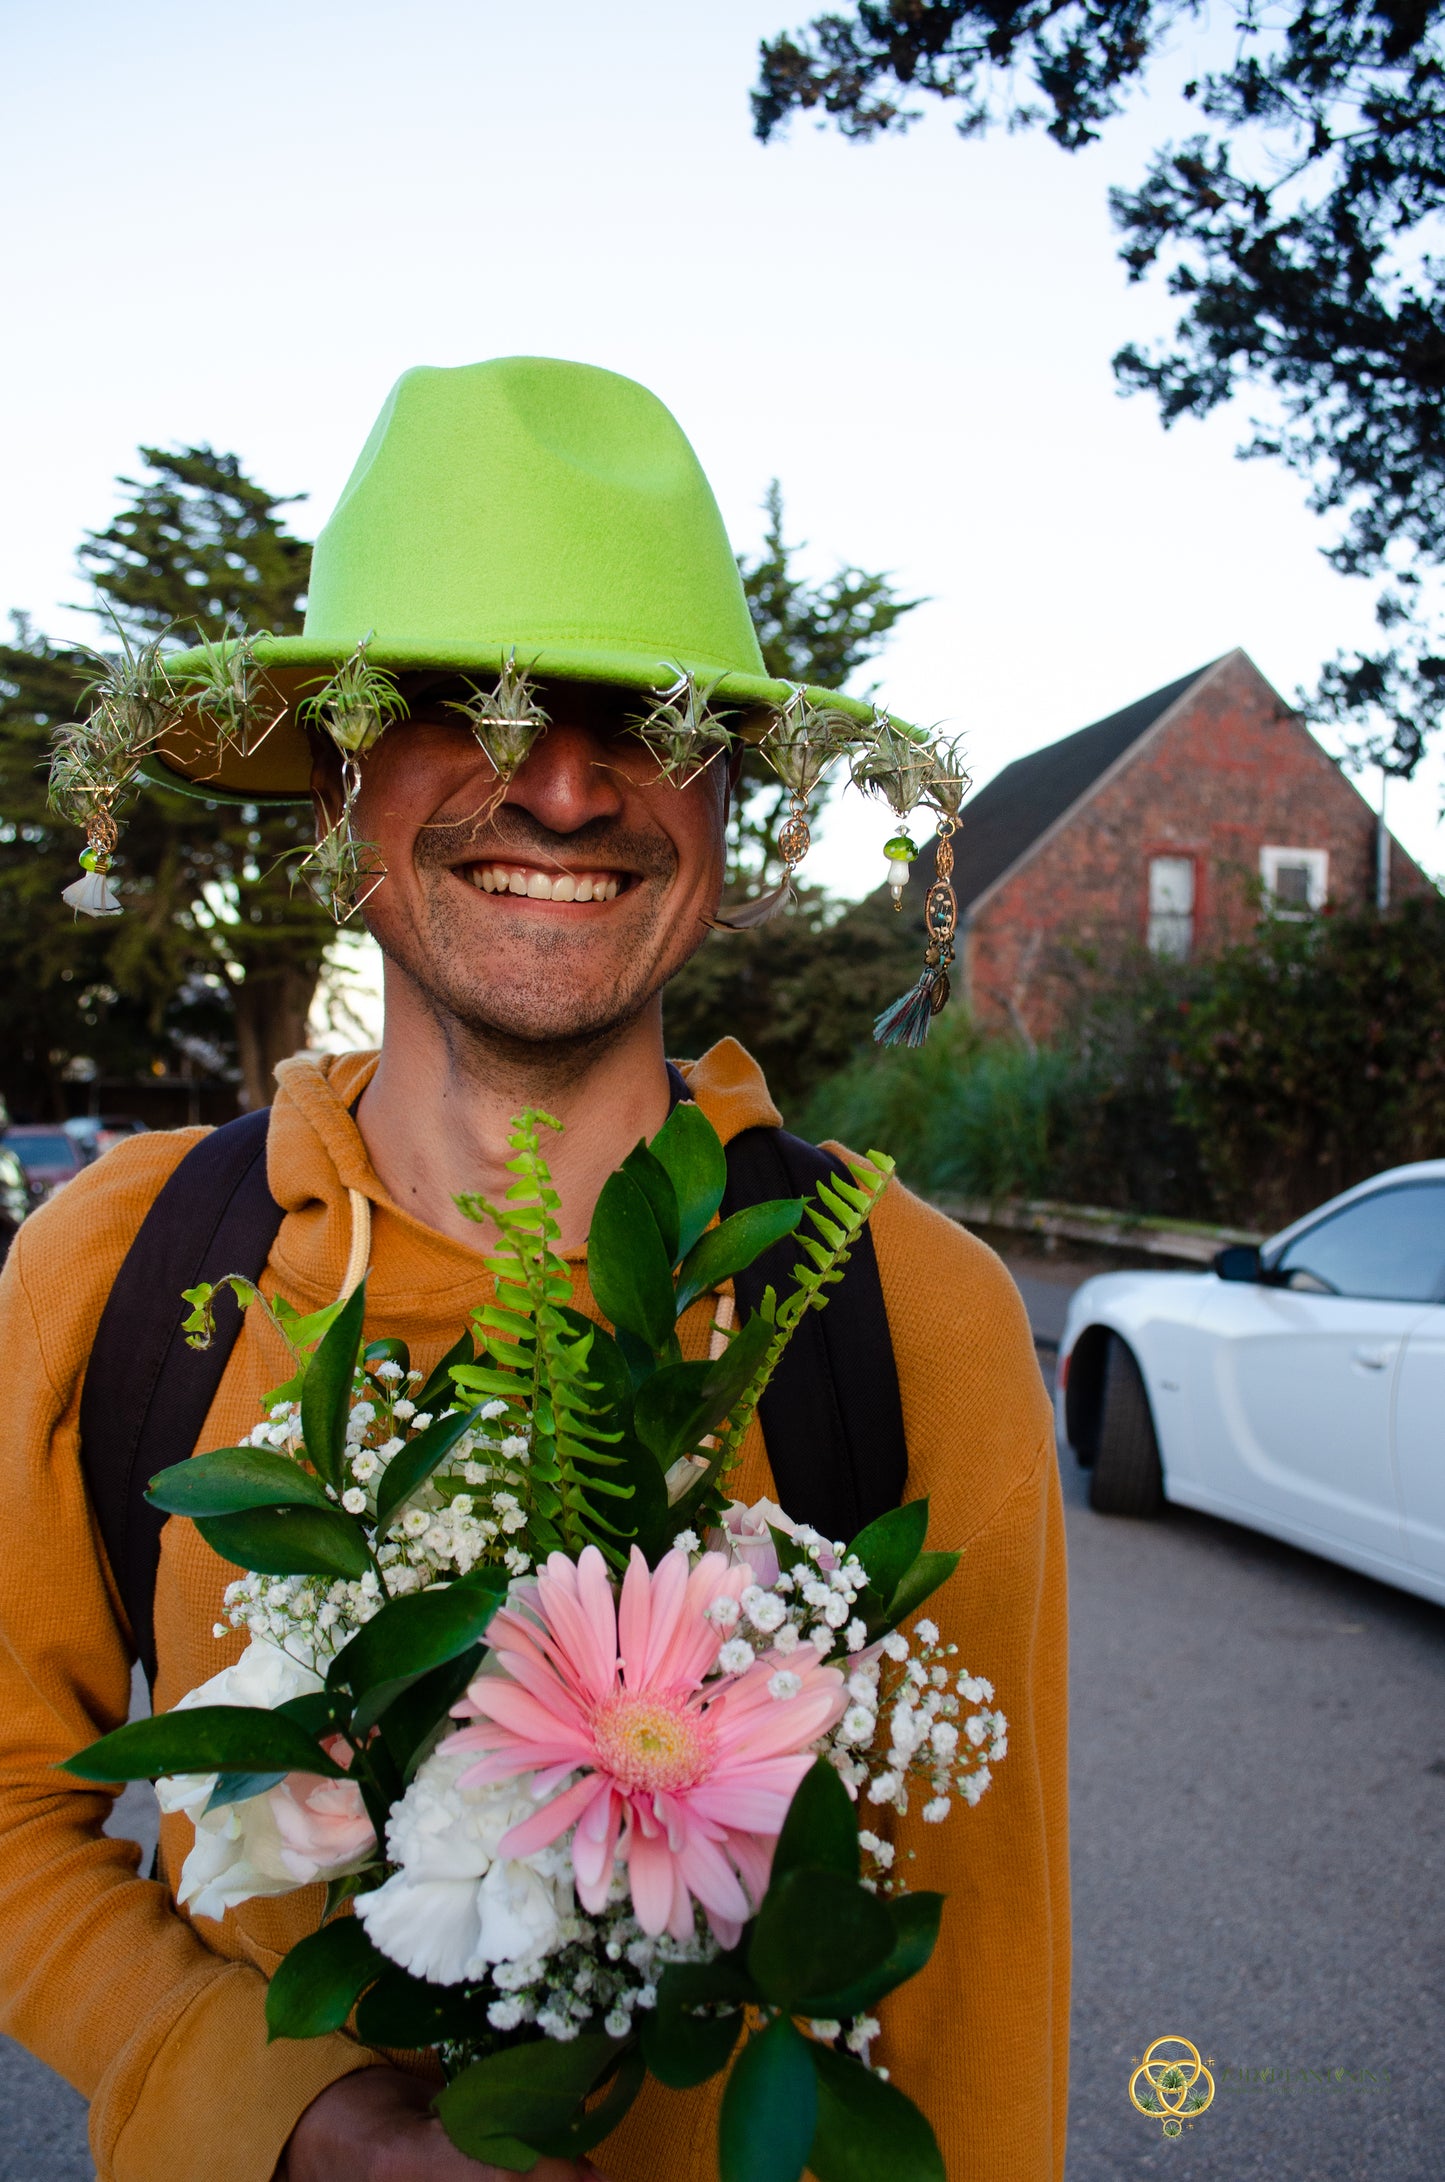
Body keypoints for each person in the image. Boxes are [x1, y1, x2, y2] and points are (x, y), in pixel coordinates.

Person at [0, 358, 1068, 2182]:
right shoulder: (117, 1266)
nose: (561, 784)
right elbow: (22, 1803)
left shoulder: (902, 1308)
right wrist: (285, 2109)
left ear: (726, 798)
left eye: (638, 714)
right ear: (339, 788)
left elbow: (968, 1984)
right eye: (454, 706)